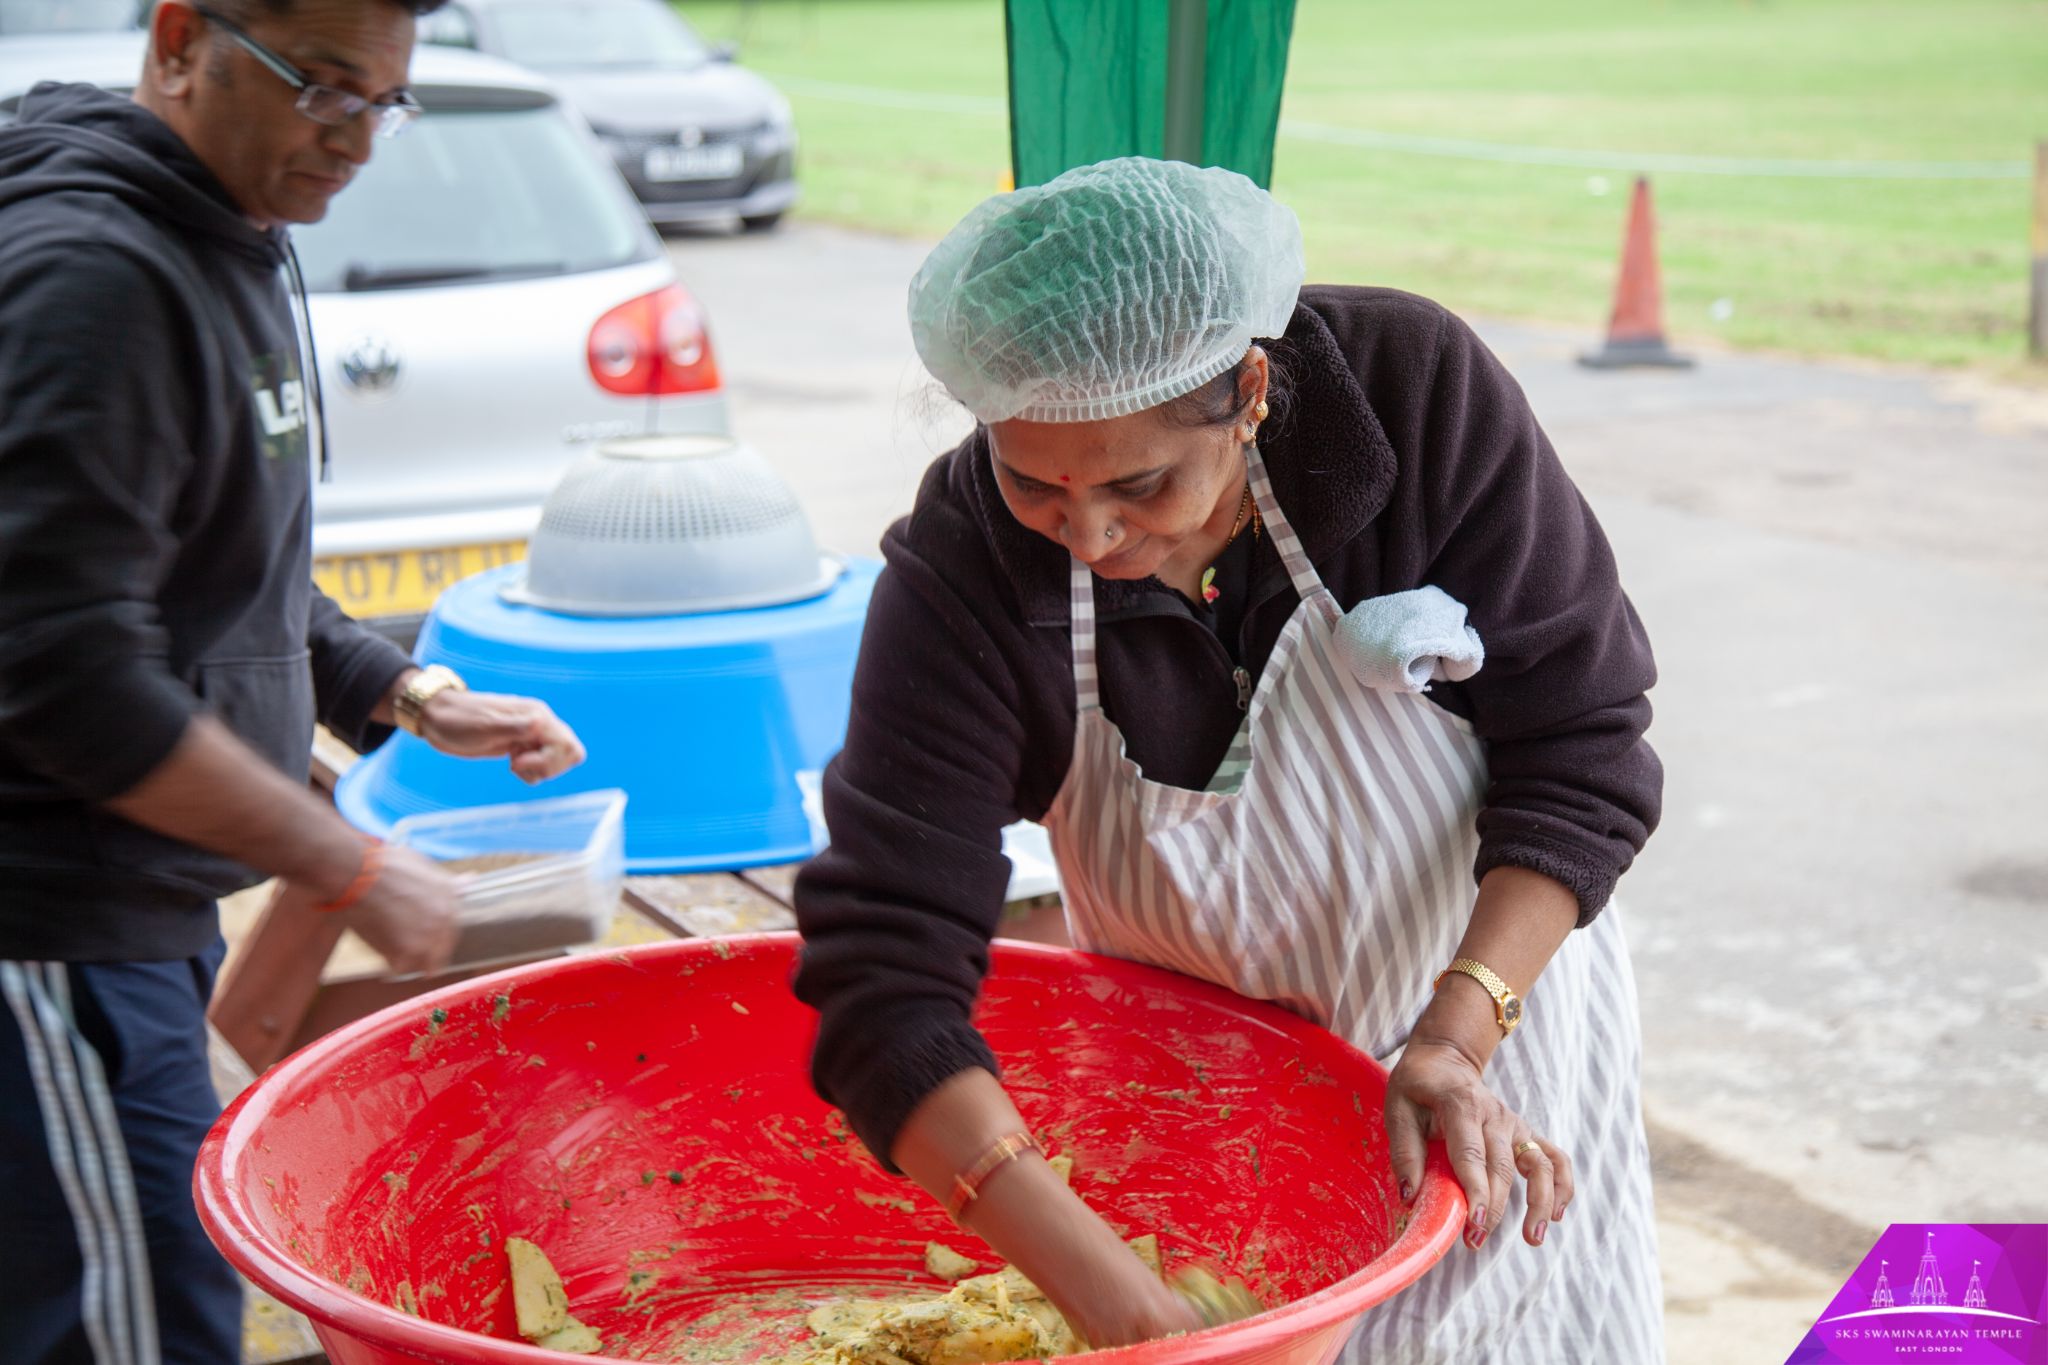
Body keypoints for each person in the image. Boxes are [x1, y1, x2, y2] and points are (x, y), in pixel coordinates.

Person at [793, 157, 1665, 1364]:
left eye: (1139, 484)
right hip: (1192, 1112)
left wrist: (1459, 1033)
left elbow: (1581, 748)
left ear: (1249, 389)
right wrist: (1116, 1299)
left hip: (1486, 1043)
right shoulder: (968, 562)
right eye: (1034, 483)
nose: (1090, 537)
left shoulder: (1407, 395)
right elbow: (880, 977)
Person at [0, 2, 588, 1360]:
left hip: (136, 907)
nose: (357, 141)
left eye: (384, 102)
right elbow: (58, 661)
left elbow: (218, 573)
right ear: (180, 43)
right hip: (48, 930)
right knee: (138, 1326)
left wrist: (407, 694)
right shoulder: (94, 276)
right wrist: (350, 865)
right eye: (322, 89)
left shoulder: (229, 230)